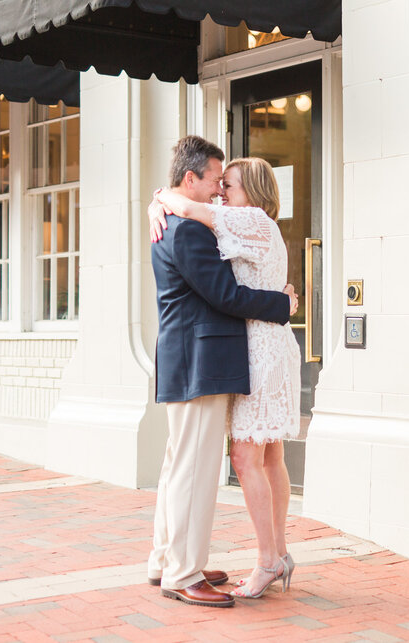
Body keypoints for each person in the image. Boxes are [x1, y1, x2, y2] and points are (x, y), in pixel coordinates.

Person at [147, 137, 297, 608]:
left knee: (181, 464)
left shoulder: (184, 219)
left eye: (224, 183)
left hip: (196, 356)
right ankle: (183, 571)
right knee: (192, 467)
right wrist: (284, 303)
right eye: (214, 181)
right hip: (200, 359)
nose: (217, 191)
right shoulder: (188, 228)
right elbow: (225, 297)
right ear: (190, 178)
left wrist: (160, 198)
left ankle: (167, 559)